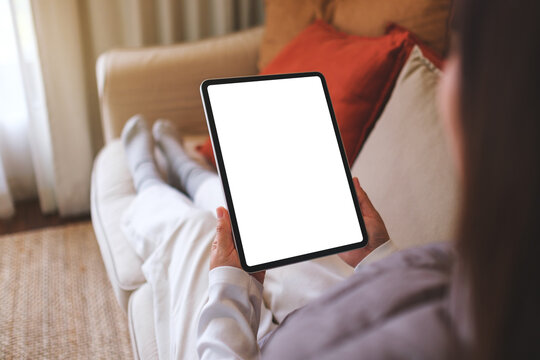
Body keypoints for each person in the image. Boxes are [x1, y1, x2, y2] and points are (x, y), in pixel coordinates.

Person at [121, 0, 540, 358]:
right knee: (254, 227)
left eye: (463, 60)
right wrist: (379, 255)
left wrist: (228, 288)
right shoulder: (489, 279)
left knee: (197, 237)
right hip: (347, 300)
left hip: (281, 335)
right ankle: (190, 172)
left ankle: (149, 179)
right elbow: (418, 297)